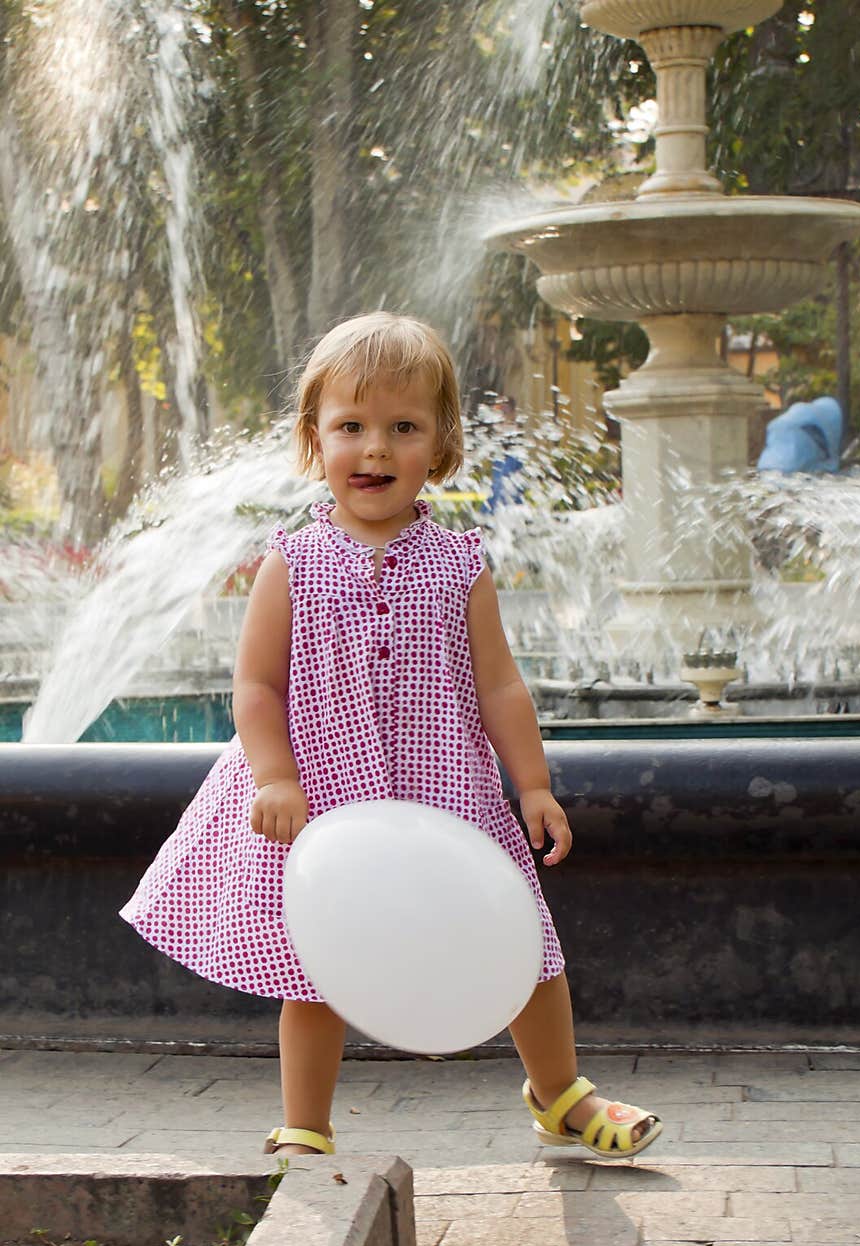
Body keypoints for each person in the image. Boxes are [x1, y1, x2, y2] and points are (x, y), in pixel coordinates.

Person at [120, 312, 662, 1162]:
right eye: (352, 427)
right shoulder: (291, 562)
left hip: (448, 788)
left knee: (521, 941)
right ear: (315, 440)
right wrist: (273, 778)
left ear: (440, 445)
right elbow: (257, 686)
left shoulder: (459, 561)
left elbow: (499, 685)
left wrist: (533, 785)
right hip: (324, 792)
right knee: (318, 961)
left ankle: (561, 1094)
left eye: (403, 428)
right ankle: (307, 1124)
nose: (375, 450)